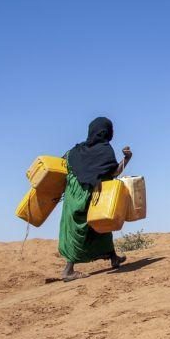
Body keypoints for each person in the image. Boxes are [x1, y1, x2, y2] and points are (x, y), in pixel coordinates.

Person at [58, 117, 133, 282]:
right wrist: (126, 159)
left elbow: (63, 163)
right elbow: (113, 173)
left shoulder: (75, 151)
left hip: (73, 197)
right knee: (88, 227)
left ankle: (113, 257)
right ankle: (68, 271)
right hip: (92, 194)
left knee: (99, 227)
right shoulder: (105, 151)